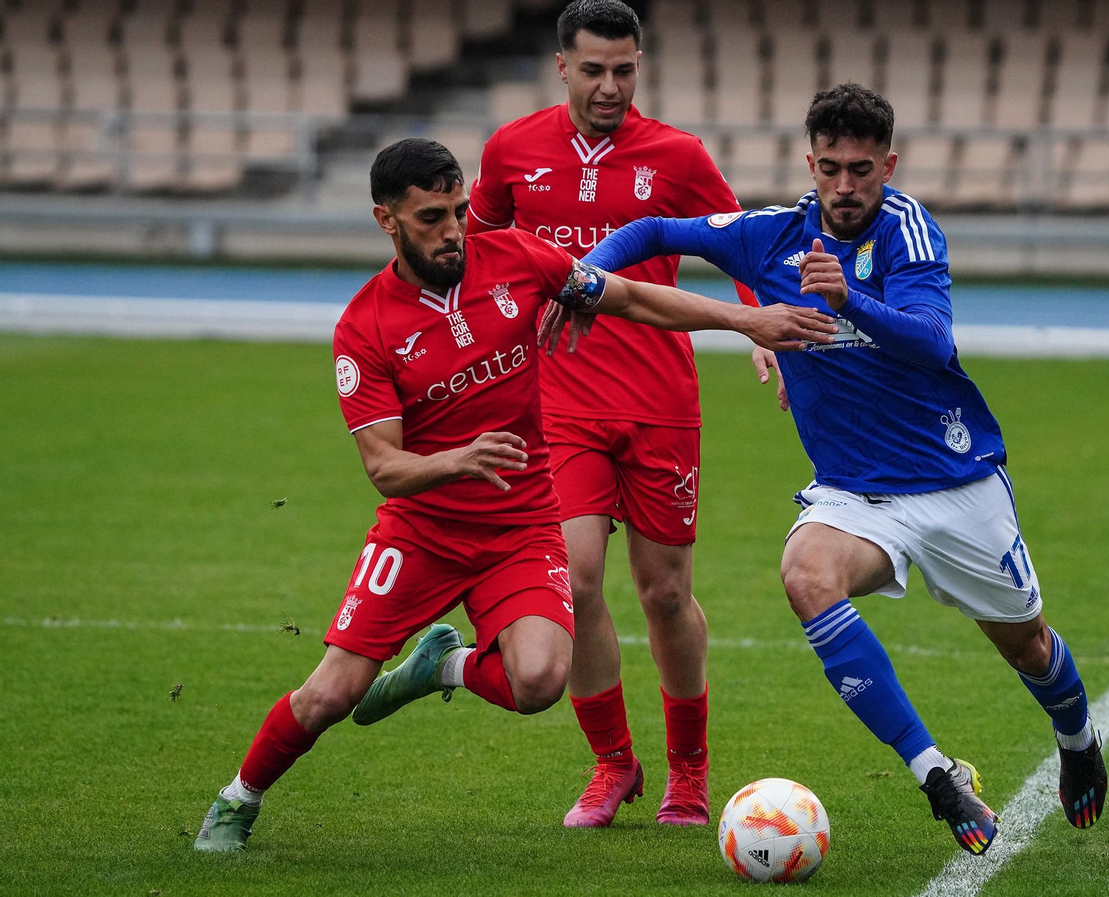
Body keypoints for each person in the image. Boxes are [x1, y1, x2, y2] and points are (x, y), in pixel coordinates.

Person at [191, 138, 833, 852]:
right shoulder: (365, 326)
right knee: (332, 693)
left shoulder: (517, 259)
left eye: (460, 211)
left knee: (538, 681)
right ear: (387, 220)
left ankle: (446, 664)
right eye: (431, 216)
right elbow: (384, 468)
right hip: (422, 532)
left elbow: (631, 296)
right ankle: (236, 799)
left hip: (522, 526)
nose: (453, 230)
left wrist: (745, 320)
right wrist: (457, 460)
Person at [542, 84, 1109, 856]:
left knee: (1028, 646)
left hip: (954, 481)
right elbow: (651, 228)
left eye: (862, 171)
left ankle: (1075, 736)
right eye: (832, 169)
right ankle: (935, 771)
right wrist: (586, 277)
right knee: (805, 574)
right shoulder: (770, 234)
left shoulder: (908, 231)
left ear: (889, 166)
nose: (846, 187)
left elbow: (934, 343)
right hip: (855, 494)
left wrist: (851, 302)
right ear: (810, 163)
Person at [466, 0, 756, 828]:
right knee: (577, 577)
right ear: (562, 65)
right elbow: (478, 252)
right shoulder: (510, 150)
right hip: (557, 402)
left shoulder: (677, 155)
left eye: (624, 69)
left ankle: (689, 772)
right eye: (592, 70)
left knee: (665, 592)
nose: (608, 86)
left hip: (661, 401)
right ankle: (613, 763)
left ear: (640, 64)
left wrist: (761, 327)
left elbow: (738, 243)